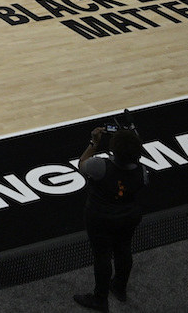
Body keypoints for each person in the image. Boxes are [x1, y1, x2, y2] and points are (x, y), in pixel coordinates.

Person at [74, 124, 148, 311]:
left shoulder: (99, 166)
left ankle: (100, 299)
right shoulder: (143, 173)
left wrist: (94, 143)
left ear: (113, 150)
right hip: (129, 217)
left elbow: (81, 163)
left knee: (102, 256)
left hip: (101, 218)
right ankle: (120, 288)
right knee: (124, 249)